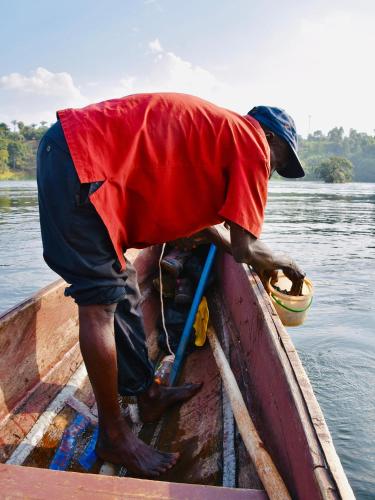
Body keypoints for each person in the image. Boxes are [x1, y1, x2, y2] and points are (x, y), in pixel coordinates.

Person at [37, 93, 305, 477]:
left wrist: (241, 249)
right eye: (279, 163)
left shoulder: (219, 137)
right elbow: (246, 247)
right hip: (79, 158)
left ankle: (146, 394)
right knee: (98, 301)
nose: (272, 171)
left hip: (72, 154)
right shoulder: (251, 143)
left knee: (123, 282)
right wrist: (282, 261)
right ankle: (114, 435)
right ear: (272, 140)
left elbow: (213, 231)